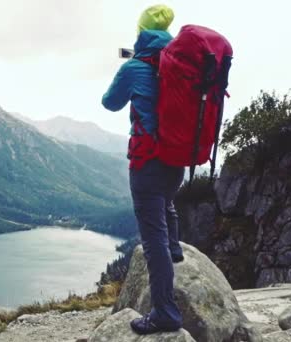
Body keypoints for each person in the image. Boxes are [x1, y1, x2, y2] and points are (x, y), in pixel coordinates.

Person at [101, 4, 184, 335]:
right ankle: (176, 249)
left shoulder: (135, 66)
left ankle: (165, 312)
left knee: (153, 242)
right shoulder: (182, 65)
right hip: (177, 159)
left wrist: (129, 68)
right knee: (167, 201)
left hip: (147, 160)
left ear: (140, 33)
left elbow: (110, 102)